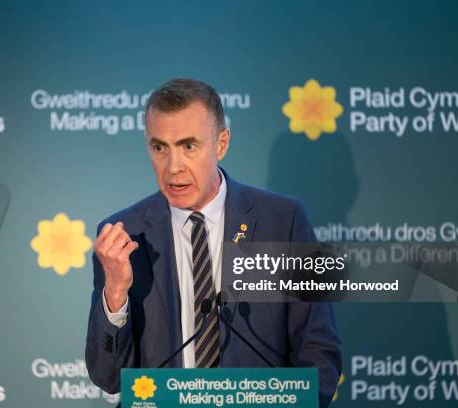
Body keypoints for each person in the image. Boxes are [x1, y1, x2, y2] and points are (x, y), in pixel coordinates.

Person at [85, 78, 341, 407]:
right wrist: (115, 295)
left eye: (188, 146)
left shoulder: (283, 221)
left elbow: (320, 352)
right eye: (159, 147)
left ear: (221, 144)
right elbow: (108, 378)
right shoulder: (123, 234)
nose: (173, 167)